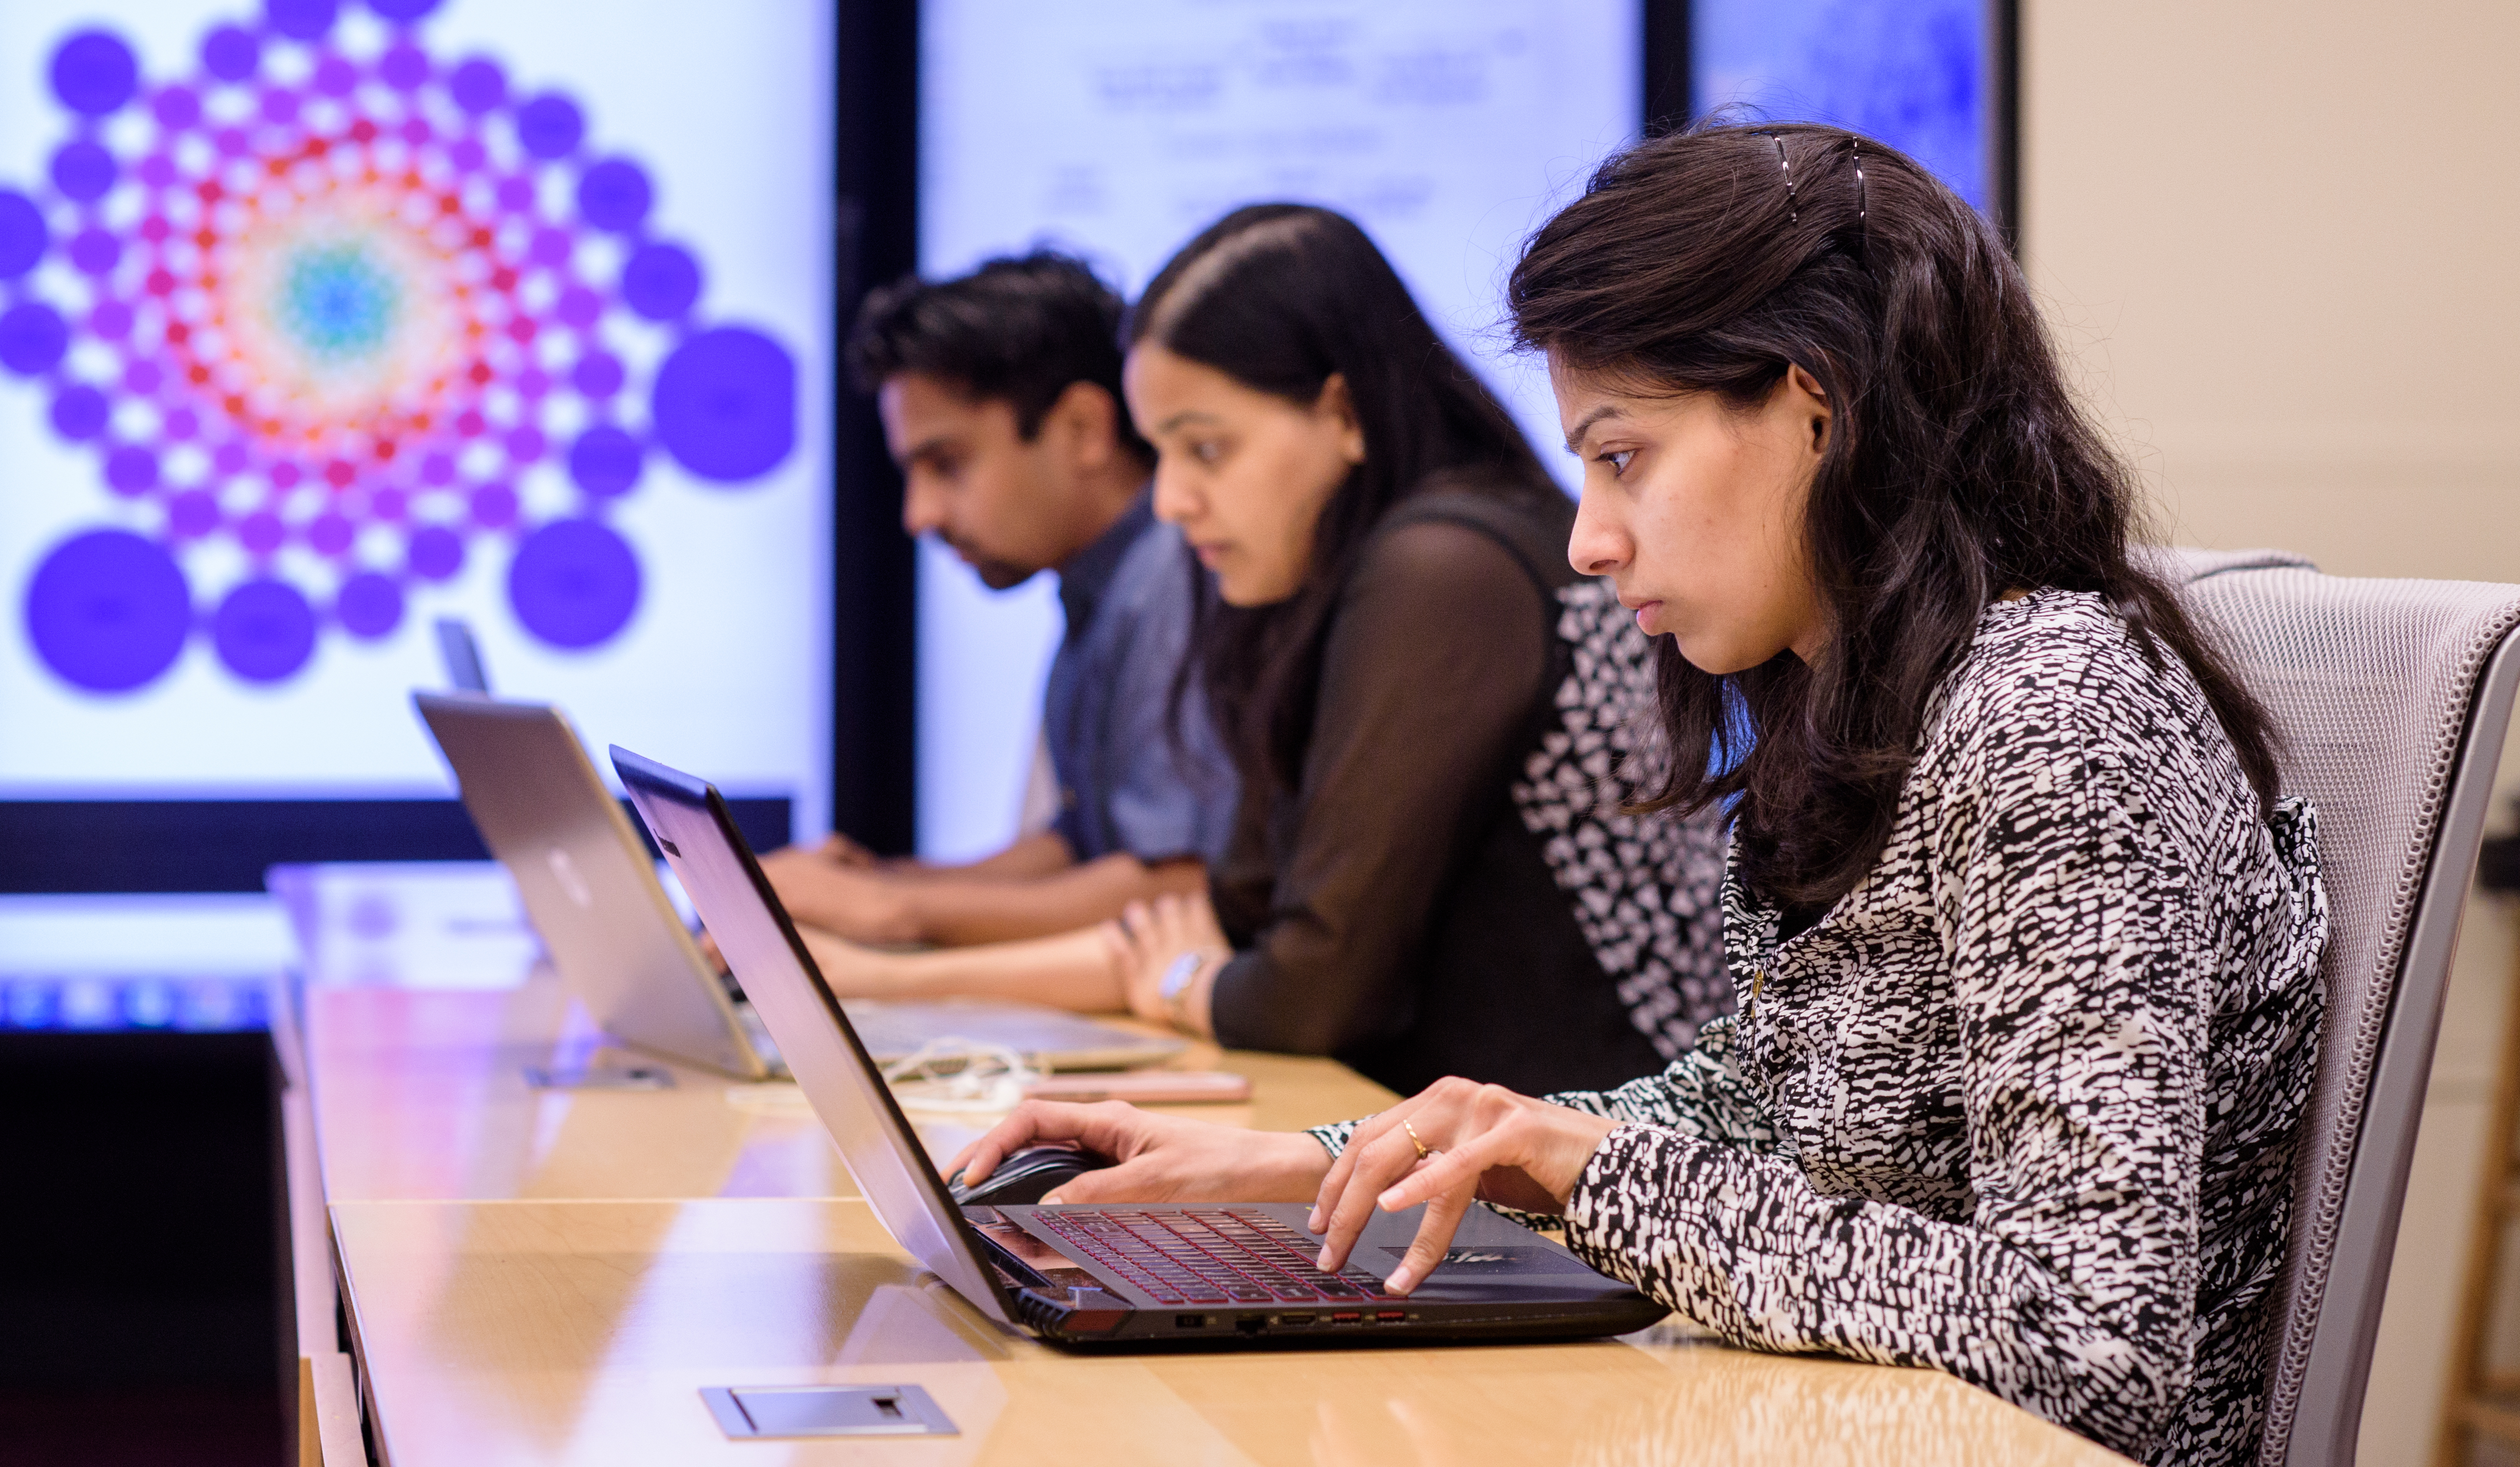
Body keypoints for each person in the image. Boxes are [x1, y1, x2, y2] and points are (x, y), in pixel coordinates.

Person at [948, 128, 2331, 1467]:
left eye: (1623, 458)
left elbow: (2091, 1346)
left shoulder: (2051, 718)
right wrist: (1302, 1160)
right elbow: (1756, 1106)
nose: (1589, 538)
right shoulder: (1855, 697)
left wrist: (1591, 1172)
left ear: (1814, 406)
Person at [800, 204, 1732, 1097]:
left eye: (1205, 451)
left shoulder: (1443, 569)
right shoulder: (1321, 578)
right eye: (1162, 453)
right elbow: (1230, 915)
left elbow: (1306, 993)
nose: (1169, 501)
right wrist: (873, 979)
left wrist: (1175, 982)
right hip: (1482, 1147)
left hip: (1612, 1166)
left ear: (1342, 413)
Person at [765, 252, 1237, 946]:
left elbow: (1175, 884)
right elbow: (1078, 853)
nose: (918, 515)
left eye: (947, 464)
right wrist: (882, 885)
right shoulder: (1104, 588)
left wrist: (892, 911)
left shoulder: (1176, 575)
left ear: (1082, 429)